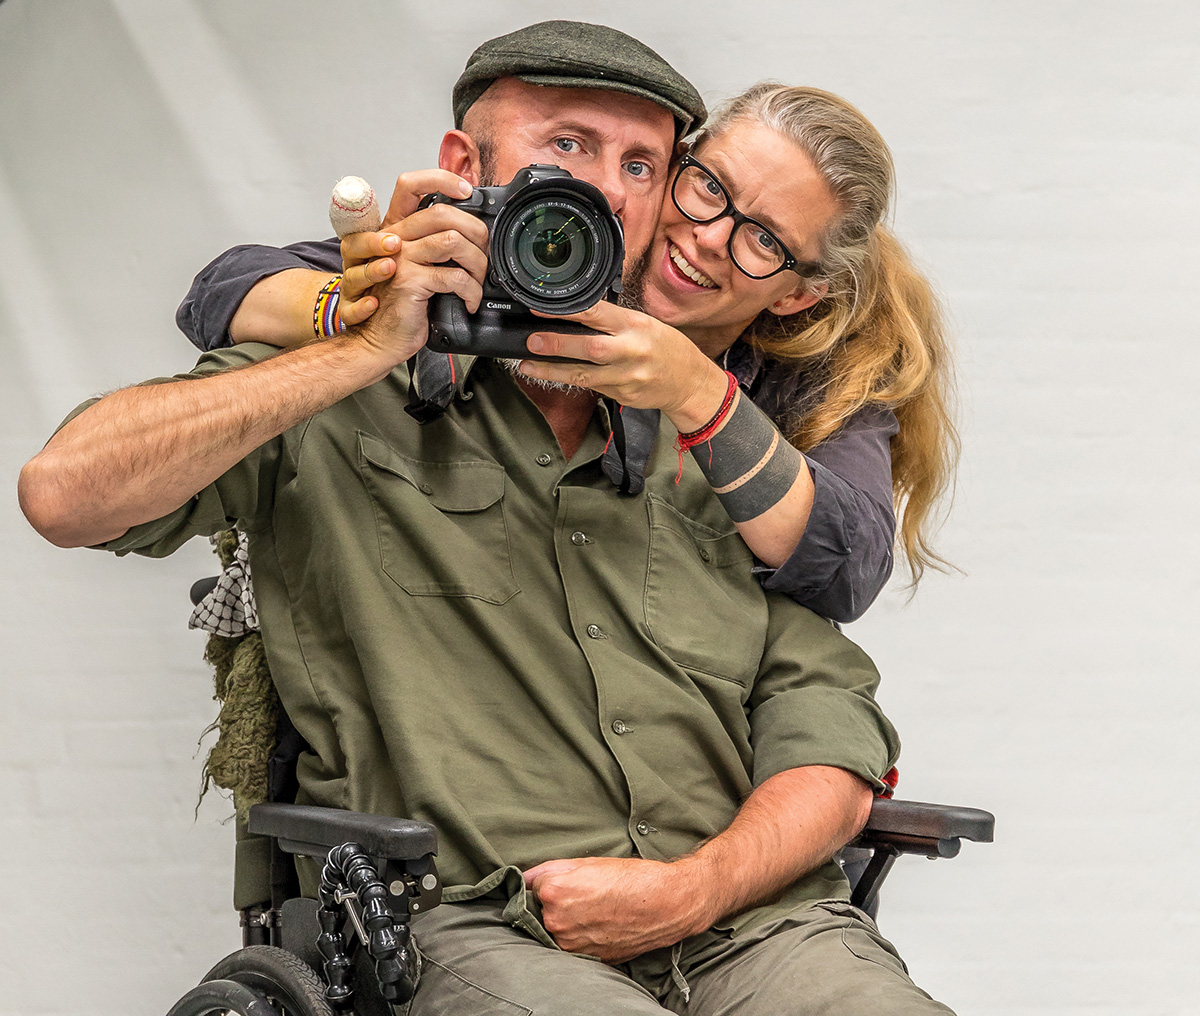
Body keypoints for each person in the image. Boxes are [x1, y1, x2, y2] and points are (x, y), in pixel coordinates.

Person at [19, 21, 954, 1015]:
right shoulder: (344, 390)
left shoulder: (730, 436)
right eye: (568, 146)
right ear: (466, 167)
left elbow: (827, 721)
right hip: (481, 923)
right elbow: (64, 492)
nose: (607, 187)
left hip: (754, 926)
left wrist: (694, 889)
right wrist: (364, 336)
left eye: (642, 162)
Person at [177, 87, 957, 624]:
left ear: (794, 294)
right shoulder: (542, 249)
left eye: (763, 240)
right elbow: (222, 290)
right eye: (707, 187)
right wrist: (362, 303)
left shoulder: (814, 381)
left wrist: (698, 393)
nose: (708, 236)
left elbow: (846, 570)